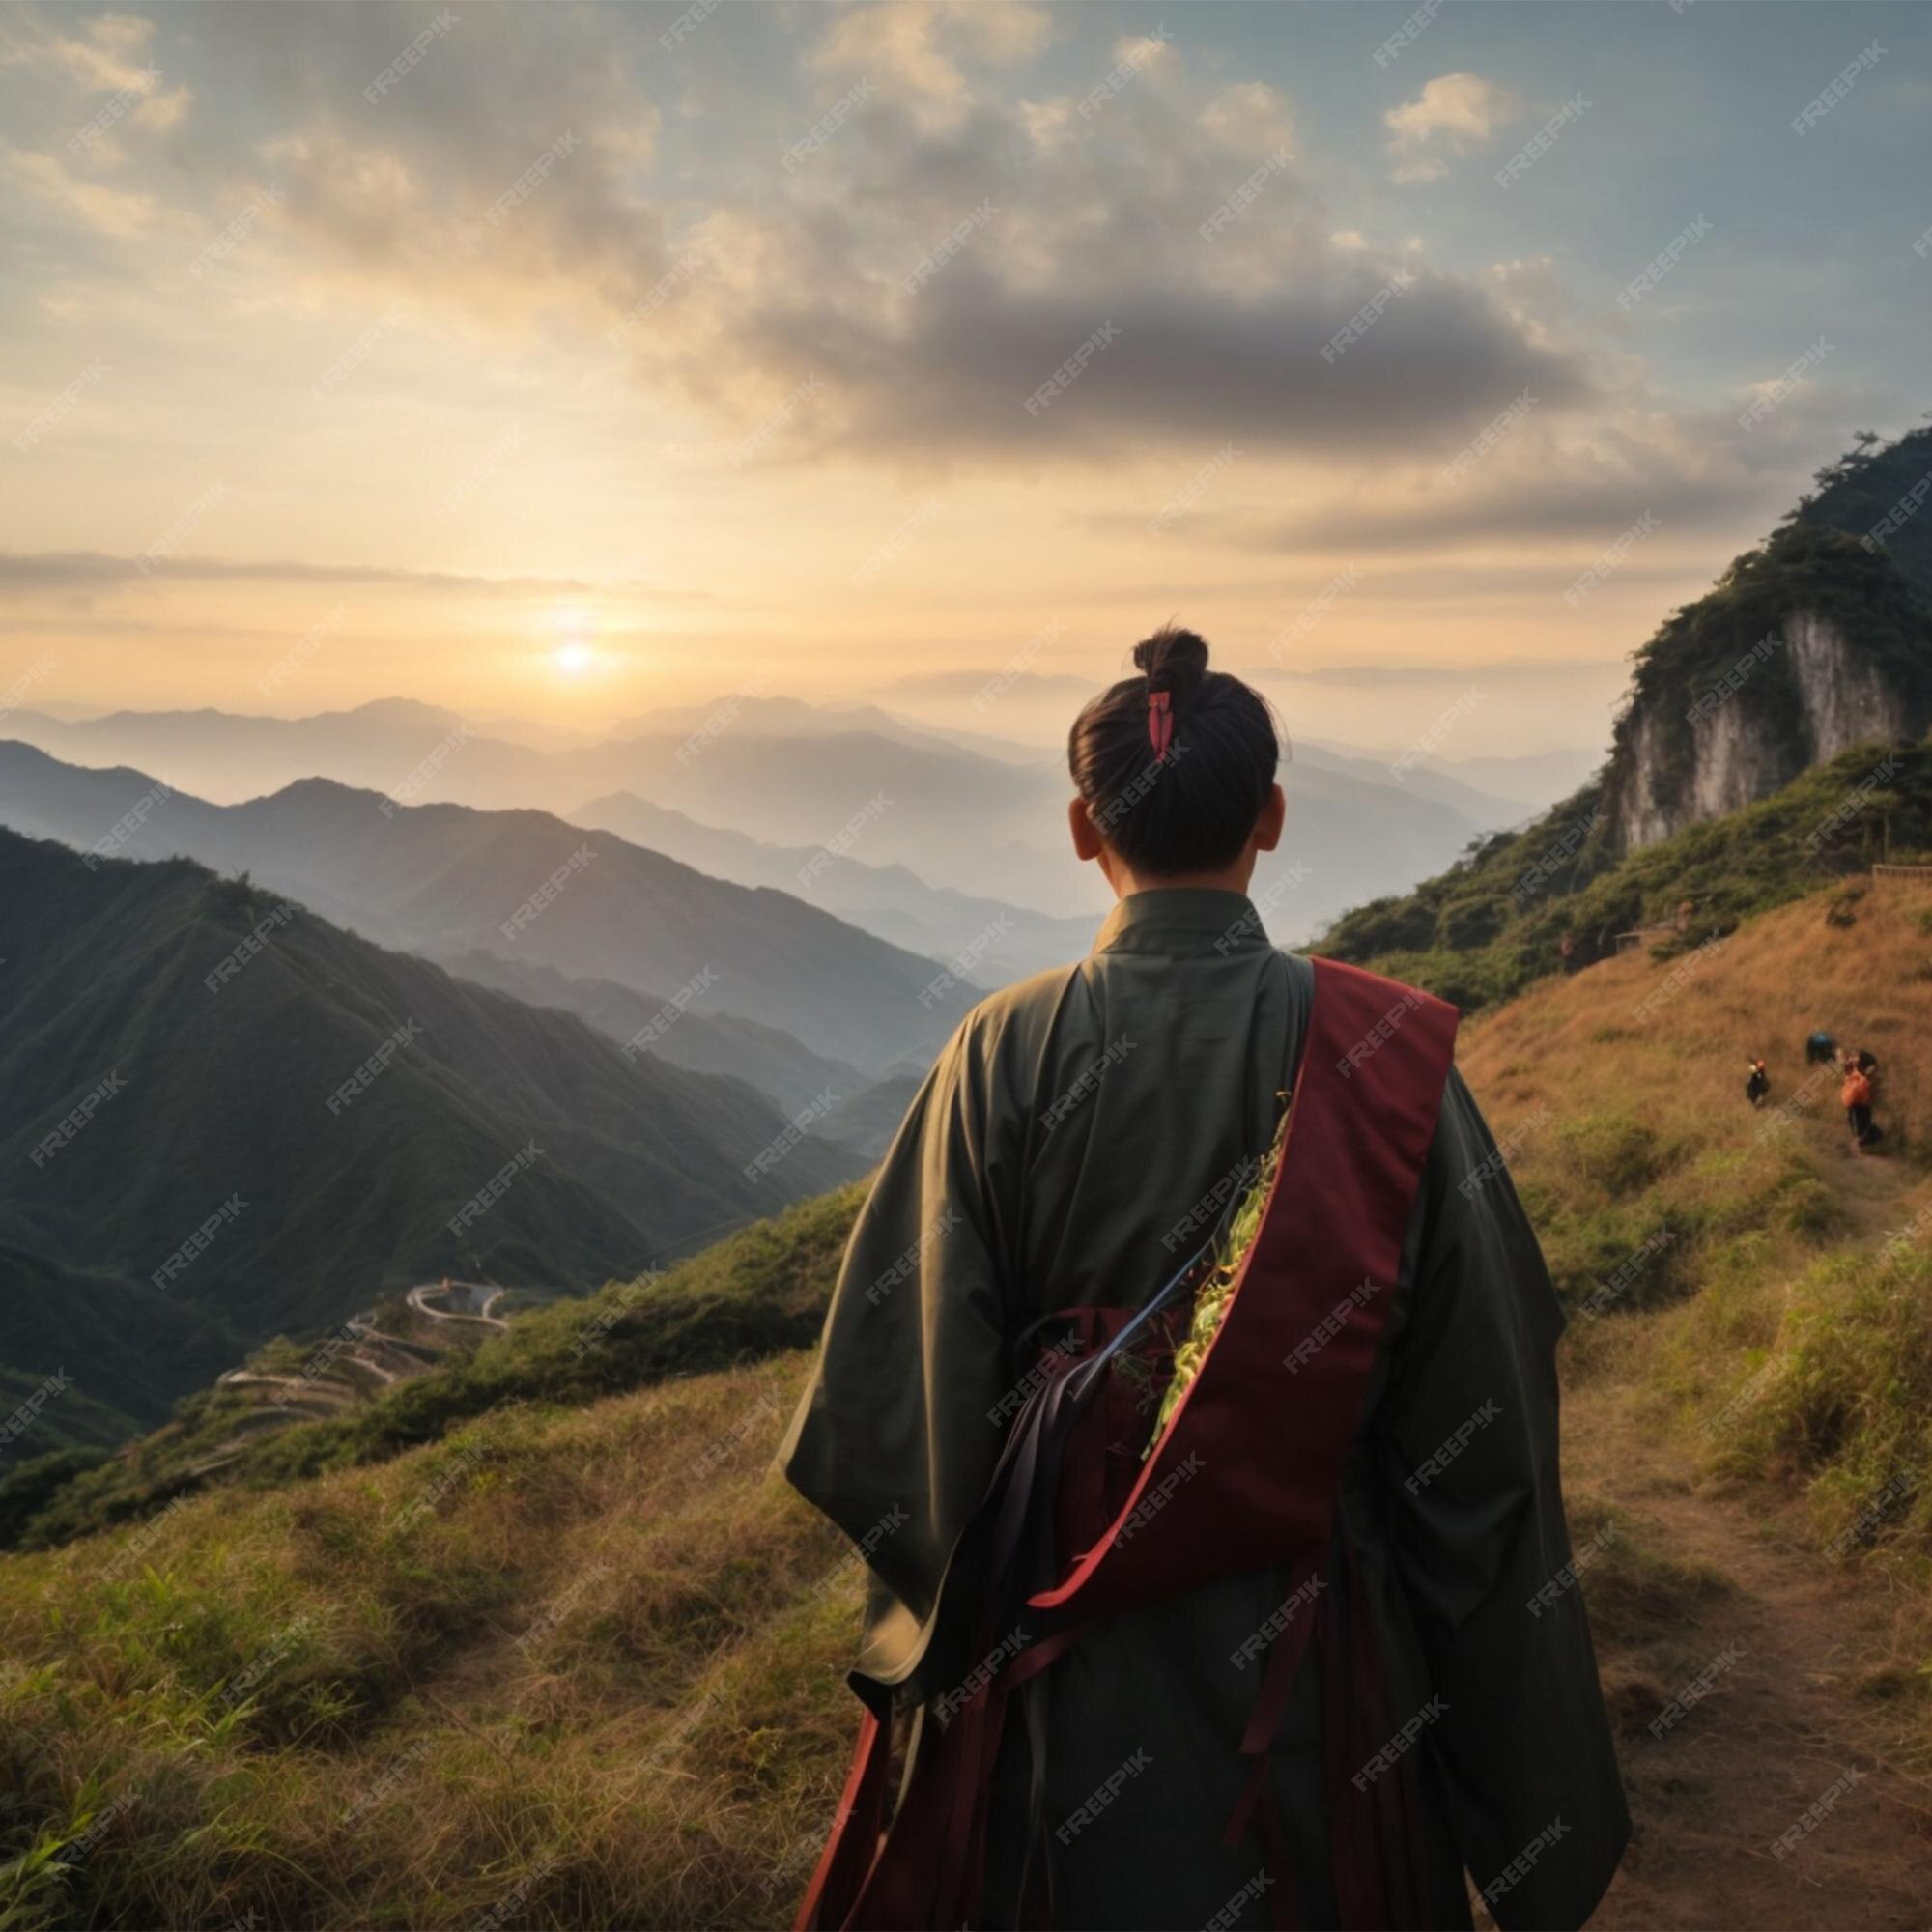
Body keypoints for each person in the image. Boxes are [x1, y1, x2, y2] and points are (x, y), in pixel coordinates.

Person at [781, 627, 1629, 1931]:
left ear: (1081, 828)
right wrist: (1533, 1809)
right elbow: (1487, 1451)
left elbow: (892, 1404)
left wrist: (951, 1626)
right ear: (1272, 817)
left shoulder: (999, 1049)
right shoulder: (1384, 1055)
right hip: (1321, 1673)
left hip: (1054, 1676)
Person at [1842, 1053, 1877, 1151]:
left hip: (1859, 1102)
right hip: (1858, 1102)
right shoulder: (1856, 1076)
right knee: (1860, 1125)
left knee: (1861, 1126)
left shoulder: (1859, 1076)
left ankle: (1860, 1143)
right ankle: (1861, 1143)